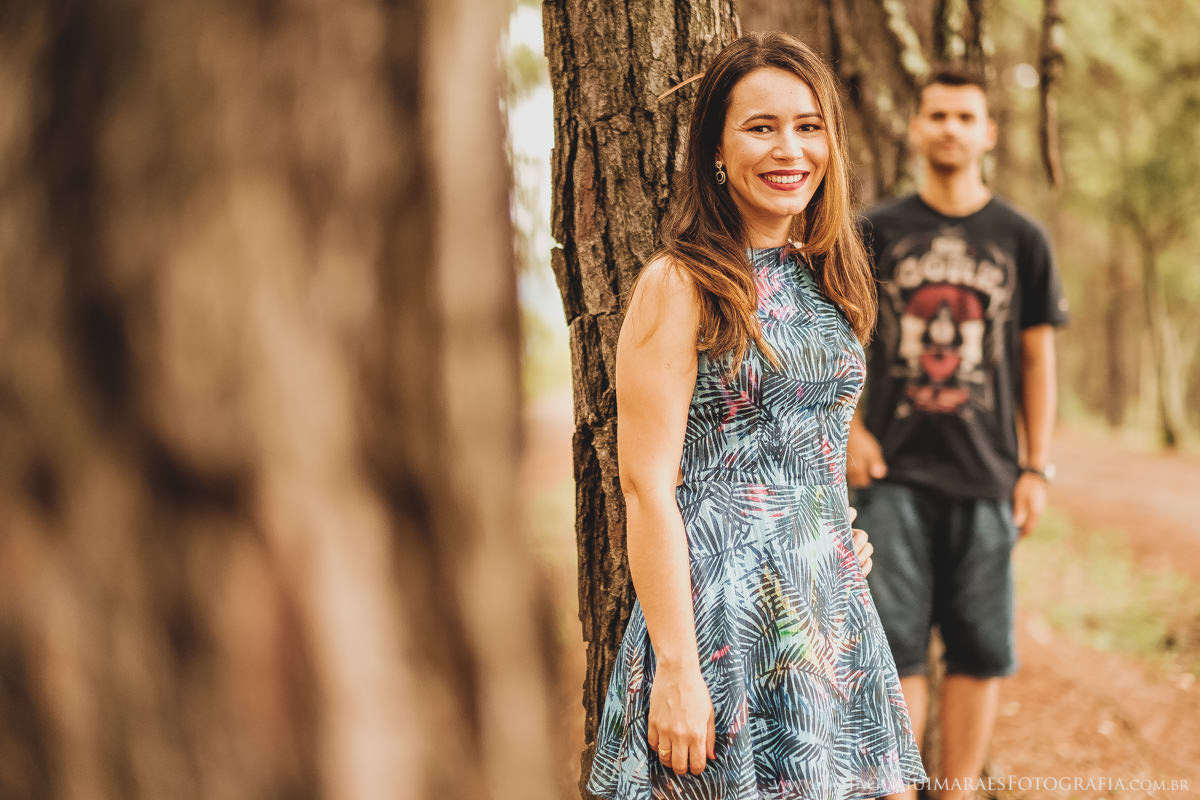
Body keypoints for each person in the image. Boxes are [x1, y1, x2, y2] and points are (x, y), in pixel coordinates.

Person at [586, 32, 927, 800]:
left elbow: (804, 451)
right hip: (720, 631)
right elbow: (646, 487)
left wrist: (829, 529)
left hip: (828, 617)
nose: (790, 149)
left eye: (808, 126)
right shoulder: (680, 284)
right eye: (761, 126)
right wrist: (676, 668)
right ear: (715, 146)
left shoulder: (825, 280)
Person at [849, 68, 1070, 800]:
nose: (950, 127)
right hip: (891, 479)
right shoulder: (874, 231)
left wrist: (1035, 467)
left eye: (965, 116)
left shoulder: (1021, 238)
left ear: (988, 133)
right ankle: (896, 789)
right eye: (936, 114)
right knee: (894, 648)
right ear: (913, 128)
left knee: (977, 652)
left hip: (987, 478)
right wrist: (849, 429)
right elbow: (834, 341)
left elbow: (1038, 358)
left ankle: (959, 788)